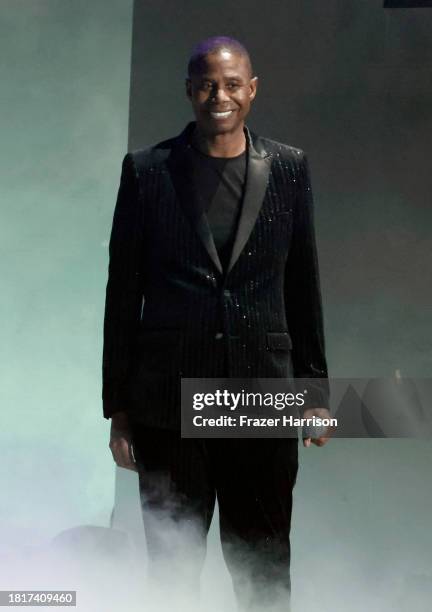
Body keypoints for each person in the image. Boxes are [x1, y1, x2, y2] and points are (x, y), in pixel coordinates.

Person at [102, 35, 330, 611]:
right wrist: (119, 411)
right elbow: (122, 298)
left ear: (251, 90)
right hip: (169, 400)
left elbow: (303, 285)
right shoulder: (147, 172)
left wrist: (315, 391)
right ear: (189, 91)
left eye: (232, 84)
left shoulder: (288, 167)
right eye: (207, 83)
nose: (219, 95)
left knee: (264, 562)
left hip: (263, 395)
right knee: (173, 566)